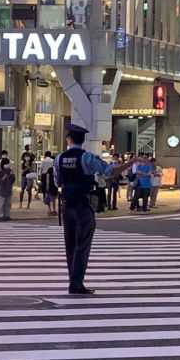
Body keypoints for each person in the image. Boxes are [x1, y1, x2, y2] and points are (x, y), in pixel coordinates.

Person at [54, 124, 133, 294]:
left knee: (71, 245)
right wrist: (130, 163)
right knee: (82, 244)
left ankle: (73, 280)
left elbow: (57, 181)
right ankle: (76, 283)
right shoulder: (87, 158)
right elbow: (110, 171)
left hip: (67, 204)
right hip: (83, 203)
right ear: (83, 141)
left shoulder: (59, 158)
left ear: (69, 139)